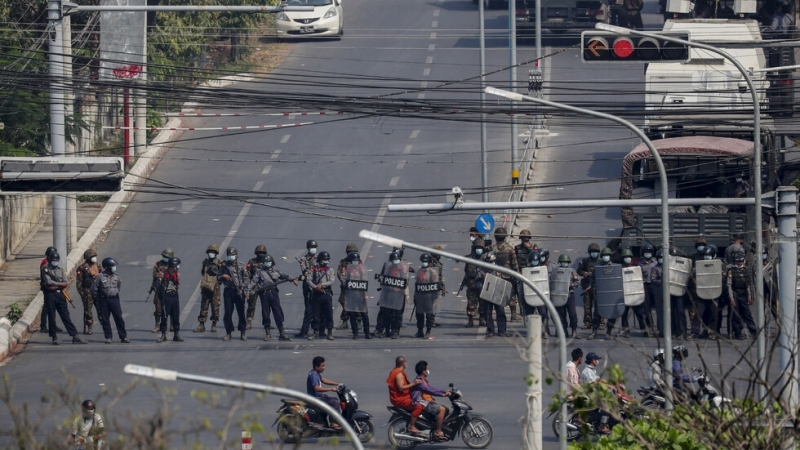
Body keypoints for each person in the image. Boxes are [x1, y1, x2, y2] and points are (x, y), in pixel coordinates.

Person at [247, 254, 297, 341]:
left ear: (272, 263)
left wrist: (293, 279)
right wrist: (248, 291)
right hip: (265, 294)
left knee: (278, 313)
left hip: (274, 294)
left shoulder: (276, 272)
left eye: (269, 262)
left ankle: (282, 333)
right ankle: (268, 334)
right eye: (266, 262)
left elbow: (285, 276)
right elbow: (253, 282)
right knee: (265, 314)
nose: (268, 263)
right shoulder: (259, 272)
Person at [41, 252, 87, 345]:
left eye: (56, 260)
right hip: (50, 295)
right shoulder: (45, 269)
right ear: (49, 260)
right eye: (53, 260)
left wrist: (57, 285)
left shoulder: (61, 270)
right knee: (51, 316)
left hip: (60, 295)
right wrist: (60, 284)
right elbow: (48, 281)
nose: (55, 262)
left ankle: (75, 336)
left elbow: (65, 282)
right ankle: (54, 337)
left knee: (66, 316)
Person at [90, 257, 129, 344]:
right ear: (107, 267)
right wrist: (97, 299)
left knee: (119, 318)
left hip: (114, 299)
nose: (114, 268)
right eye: (113, 266)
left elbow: (118, 287)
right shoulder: (100, 277)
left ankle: (123, 336)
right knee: (105, 319)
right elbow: (94, 289)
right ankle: (108, 337)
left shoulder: (117, 277)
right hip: (104, 300)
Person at [410, 360, 452, 440]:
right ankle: (437, 431)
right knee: (442, 410)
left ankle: (436, 425)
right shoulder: (419, 381)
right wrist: (442, 395)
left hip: (425, 401)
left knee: (446, 409)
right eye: (427, 369)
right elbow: (429, 391)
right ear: (423, 371)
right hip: (420, 402)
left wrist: (444, 391)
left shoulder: (423, 380)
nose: (428, 371)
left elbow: (432, 388)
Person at [376, 250, 411, 339]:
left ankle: (396, 331)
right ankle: (387, 331)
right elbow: (383, 279)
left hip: (398, 294)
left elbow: (405, 281)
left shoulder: (402, 269)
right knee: (387, 313)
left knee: (397, 314)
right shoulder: (388, 268)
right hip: (388, 293)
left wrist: (399, 288)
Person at [218, 247, 250, 341]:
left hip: (239, 291)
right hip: (229, 291)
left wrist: (242, 289)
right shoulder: (224, 266)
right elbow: (217, 277)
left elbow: (246, 279)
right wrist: (223, 276)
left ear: (236, 255)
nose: (231, 257)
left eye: (232, 255)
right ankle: (228, 333)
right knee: (228, 312)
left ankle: (243, 332)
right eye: (229, 255)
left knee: (241, 312)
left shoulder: (241, 266)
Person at [386, 356, 423, 432]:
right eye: (406, 362)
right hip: (399, 399)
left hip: (402, 396)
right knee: (418, 407)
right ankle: (412, 426)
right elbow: (401, 388)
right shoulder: (399, 374)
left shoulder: (395, 371)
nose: (406, 364)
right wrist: (414, 383)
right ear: (403, 364)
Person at [307, 356, 343, 430]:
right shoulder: (313, 375)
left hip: (319, 397)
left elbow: (323, 380)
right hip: (315, 398)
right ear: (316, 366)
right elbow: (317, 388)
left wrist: (337, 383)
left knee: (334, 399)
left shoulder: (316, 373)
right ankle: (333, 423)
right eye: (322, 366)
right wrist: (331, 389)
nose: (324, 367)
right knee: (334, 402)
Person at [341, 251, 371, 339]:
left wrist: (365, 294)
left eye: (357, 260)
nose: (355, 262)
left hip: (360, 294)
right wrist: (348, 284)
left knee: (364, 315)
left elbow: (365, 281)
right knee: (352, 314)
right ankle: (355, 333)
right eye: (354, 260)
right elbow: (343, 280)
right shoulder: (346, 270)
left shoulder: (361, 269)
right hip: (351, 295)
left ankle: (367, 333)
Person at [493, 227, 520, 323]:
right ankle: (513, 315)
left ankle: (499, 315)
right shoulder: (510, 248)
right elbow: (514, 263)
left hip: (495, 275)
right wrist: (516, 274)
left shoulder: (492, 248)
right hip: (508, 275)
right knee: (512, 295)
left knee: (497, 296)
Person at [307, 251, 336, 340]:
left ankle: (329, 332)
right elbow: (308, 280)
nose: (326, 261)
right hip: (316, 293)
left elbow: (331, 281)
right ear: (319, 259)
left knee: (329, 314)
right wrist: (316, 287)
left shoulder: (330, 270)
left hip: (326, 293)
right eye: (324, 259)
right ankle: (315, 332)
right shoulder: (313, 269)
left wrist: (322, 285)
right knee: (316, 314)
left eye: (327, 259)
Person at [579, 352, 611, 434]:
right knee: (607, 407)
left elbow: (598, 379)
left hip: (593, 394)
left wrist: (611, 384)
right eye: (596, 359)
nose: (597, 361)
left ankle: (598, 422)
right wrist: (607, 386)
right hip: (589, 396)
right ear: (593, 360)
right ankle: (602, 426)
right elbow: (594, 382)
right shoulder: (587, 371)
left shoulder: (592, 370)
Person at [727, 250, 757, 340]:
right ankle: (738, 333)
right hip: (735, 294)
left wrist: (749, 296)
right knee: (736, 316)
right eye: (738, 261)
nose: (740, 263)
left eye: (741, 261)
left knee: (747, 314)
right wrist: (732, 299)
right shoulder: (731, 271)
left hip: (743, 295)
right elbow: (729, 285)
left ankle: (754, 332)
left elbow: (748, 285)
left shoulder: (745, 270)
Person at [588, 247, 615, 340]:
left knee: (612, 314)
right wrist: (590, 286)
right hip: (600, 293)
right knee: (597, 313)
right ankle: (594, 332)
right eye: (604, 255)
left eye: (607, 255)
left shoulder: (614, 267)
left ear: (610, 256)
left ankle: (609, 332)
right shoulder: (597, 267)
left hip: (611, 294)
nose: (606, 257)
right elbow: (593, 278)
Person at [194, 244, 221, 333]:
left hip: (215, 288)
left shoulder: (219, 263)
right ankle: (201, 325)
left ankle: (214, 324)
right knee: (204, 306)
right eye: (210, 252)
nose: (211, 254)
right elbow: (203, 272)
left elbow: (221, 275)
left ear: (216, 253)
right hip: (206, 287)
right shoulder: (205, 262)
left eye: (213, 252)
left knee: (215, 306)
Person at [553, 253, 580, 339]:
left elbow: (577, 282)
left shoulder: (572, 271)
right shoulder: (556, 271)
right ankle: (564, 330)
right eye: (563, 262)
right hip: (559, 295)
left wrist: (571, 285)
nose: (564, 263)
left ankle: (574, 330)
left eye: (566, 262)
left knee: (572, 313)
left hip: (569, 295)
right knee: (561, 314)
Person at [481, 252, 508, 338]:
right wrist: (484, 288)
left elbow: (505, 281)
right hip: (487, 294)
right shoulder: (481, 271)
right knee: (488, 313)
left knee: (500, 312)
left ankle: (502, 331)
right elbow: (477, 282)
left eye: (492, 262)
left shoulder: (499, 269)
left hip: (497, 294)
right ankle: (490, 331)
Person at [157, 257, 183, 343]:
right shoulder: (163, 274)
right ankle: (163, 334)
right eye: (177, 265)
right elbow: (158, 285)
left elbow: (178, 284)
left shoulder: (177, 274)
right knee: (164, 317)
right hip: (166, 296)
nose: (178, 267)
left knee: (176, 316)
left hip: (174, 296)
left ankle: (176, 334)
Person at [75, 249, 101, 335]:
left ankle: (104, 324)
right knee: (88, 311)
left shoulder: (97, 266)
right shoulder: (82, 268)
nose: (94, 258)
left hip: (97, 290)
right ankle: (89, 326)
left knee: (101, 309)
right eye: (92, 257)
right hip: (87, 291)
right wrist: (82, 293)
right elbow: (79, 283)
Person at [414, 253, 440, 339]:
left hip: (429, 296)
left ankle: (428, 332)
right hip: (420, 296)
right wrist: (415, 296)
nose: (423, 263)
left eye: (425, 261)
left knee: (429, 315)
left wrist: (434, 298)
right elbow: (417, 284)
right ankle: (420, 331)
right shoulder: (419, 271)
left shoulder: (432, 272)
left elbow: (435, 285)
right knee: (419, 315)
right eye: (422, 261)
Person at [296, 239, 319, 338]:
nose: (313, 249)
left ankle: (318, 329)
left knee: (318, 308)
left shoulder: (319, 257)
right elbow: (304, 271)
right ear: (308, 248)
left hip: (317, 284)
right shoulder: (303, 259)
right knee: (308, 307)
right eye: (311, 247)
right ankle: (305, 329)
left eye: (314, 247)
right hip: (308, 285)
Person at [462, 239, 486, 327]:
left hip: (482, 285)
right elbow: (466, 271)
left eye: (480, 248)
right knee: (471, 304)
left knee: (483, 304)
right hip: (472, 285)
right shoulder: (470, 259)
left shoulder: (485, 259)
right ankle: (470, 320)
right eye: (477, 248)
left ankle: (482, 319)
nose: (478, 250)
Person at [513, 229, 536, 322]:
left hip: (531, 273)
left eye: (527, 238)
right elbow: (515, 260)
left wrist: (529, 248)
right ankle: (522, 309)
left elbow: (537, 256)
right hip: (521, 273)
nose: (525, 239)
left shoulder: (533, 246)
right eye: (523, 238)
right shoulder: (517, 248)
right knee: (520, 292)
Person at [578, 243, 602, 330]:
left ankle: (601, 322)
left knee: (599, 305)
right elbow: (579, 271)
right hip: (587, 287)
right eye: (592, 252)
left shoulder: (601, 261)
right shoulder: (585, 261)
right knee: (587, 306)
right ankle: (587, 322)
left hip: (598, 287)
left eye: (595, 251)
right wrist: (583, 273)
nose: (594, 253)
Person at [337, 243, 360, 330]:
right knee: (344, 303)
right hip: (346, 287)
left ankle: (359, 321)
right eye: (350, 252)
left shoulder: (358, 261)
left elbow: (363, 272)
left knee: (358, 304)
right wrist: (344, 281)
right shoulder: (343, 262)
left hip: (357, 287)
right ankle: (345, 321)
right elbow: (339, 273)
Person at [245, 244, 269, 331]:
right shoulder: (251, 261)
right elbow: (246, 273)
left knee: (266, 305)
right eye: (259, 252)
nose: (260, 254)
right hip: (254, 286)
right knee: (251, 304)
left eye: (262, 253)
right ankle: (249, 321)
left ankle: (267, 322)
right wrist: (248, 285)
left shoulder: (267, 261)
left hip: (264, 285)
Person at [149, 248, 172, 333]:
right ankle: (157, 325)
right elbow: (154, 274)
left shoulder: (172, 265)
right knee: (158, 308)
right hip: (158, 289)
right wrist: (161, 275)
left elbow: (175, 276)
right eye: (164, 256)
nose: (165, 258)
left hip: (169, 290)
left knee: (170, 308)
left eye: (167, 257)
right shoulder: (158, 264)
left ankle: (172, 325)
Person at [40, 246, 61, 334]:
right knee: (46, 307)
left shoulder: (48, 262)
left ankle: (52, 324)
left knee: (52, 306)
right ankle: (43, 326)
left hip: (51, 286)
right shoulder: (45, 263)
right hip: (47, 287)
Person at [637, 243, 657, 337]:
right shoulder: (640, 264)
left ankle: (662, 328)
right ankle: (649, 327)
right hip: (645, 286)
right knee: (646, 308)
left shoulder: (656, 263)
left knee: (659, 307)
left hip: (655, 285)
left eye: (649, 252)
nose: (647, 253)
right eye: (646, 252)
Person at [649, 250, 666, 337]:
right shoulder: (655, 268)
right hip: (658, 291)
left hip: (668, 291)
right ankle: (661, 330)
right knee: (660, 311)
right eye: (659, 258)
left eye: (662, 258)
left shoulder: (668, 267)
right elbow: (653, 279)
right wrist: (661, 282)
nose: (661, 259)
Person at [430, 245, 447, 327]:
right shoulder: (429, 262)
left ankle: (432, 319)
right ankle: (429, 319)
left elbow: (440, 277)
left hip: (436, 286)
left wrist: (443, 288)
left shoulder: (439, 264)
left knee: (435, 304)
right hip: (428, 286)